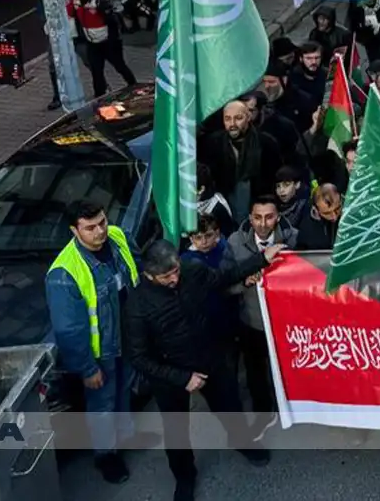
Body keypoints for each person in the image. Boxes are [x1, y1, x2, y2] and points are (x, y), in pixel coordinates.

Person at [125, 239, 280, 501]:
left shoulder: (192, 270)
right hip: (170, 376)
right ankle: (185, 476)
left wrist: (262, 258)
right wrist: (182, 378)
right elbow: (138, 357)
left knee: (230, 406)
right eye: (166, 276)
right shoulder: (137, 307)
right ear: (149, 274)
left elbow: (224, 277)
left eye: (175, 271)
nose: (174, 278)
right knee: (176, 431)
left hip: (210, 358)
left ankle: (243, 443)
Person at [45, 201, 138, 484]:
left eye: (102, 222)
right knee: (102, 406)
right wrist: (86, 368)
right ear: (74, 230)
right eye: (90, 227)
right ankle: (106, 456)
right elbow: (69, 330)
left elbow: (136, 273)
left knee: (123, 393)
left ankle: (124, 437)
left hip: (128, 339)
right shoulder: (64, 273)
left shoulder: (118, 237)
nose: (100, 231)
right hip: (102, 354)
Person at [227, 196, 298, 431]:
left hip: (286, 322)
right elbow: (225, 284)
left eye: (269, 217)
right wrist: (245, 282)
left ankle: (292, 408)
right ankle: (263, 412)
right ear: (250, 218)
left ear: (278, 217)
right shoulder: (235, 242)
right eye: (257, 217)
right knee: (255, 372)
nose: (263, 223)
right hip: (252, 320)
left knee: (289, 368)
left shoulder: (294, 238)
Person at [198, 100, 285, 221]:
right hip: (223, 212)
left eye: (238, 118)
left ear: (248, 117)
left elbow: (276, 180)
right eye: (227, 119)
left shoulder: (267, 144)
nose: (232, 124)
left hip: (257, 211)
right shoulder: (212, 143)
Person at [67, 0, 138, 97]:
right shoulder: (76, 1)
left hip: (109, 42)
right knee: (96, 72)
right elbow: (69, 14)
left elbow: (112, 21)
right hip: (92, 43)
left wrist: (112, 42)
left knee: (120, 66)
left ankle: (134, 86)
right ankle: (99, 97)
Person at [296, 183, 343, 250]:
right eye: (327, 213)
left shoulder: (352, 216)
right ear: (316, 210)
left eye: (337, 209)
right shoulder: (306, 228)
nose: (334, 217)